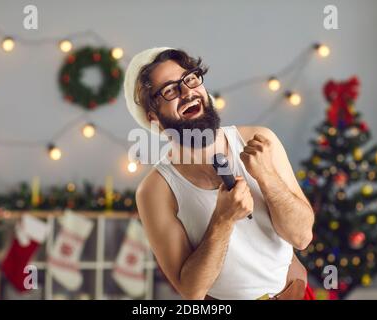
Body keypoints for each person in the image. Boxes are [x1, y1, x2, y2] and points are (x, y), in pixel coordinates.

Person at [124, 47, 315, 300]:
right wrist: (223, 219)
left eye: (190, 79)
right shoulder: (156, 190)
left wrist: (267, 177)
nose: (187, 92)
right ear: (153, 117)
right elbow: (191, 291)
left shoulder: (259, 140)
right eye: (170, 90)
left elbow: (301, 237)